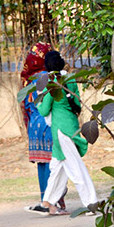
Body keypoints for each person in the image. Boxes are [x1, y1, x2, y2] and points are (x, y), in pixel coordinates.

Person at [37, 50, 98, 215]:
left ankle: (91, 202)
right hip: (71, 126)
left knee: (75, 168)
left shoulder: (52, 82)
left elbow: (43, 110)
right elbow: (76, 103)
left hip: (60, 130)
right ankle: (48, 202)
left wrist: (37, 97)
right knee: (56, 166)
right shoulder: (69, 80)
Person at [20, 42, 66, 214]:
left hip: (34, 127)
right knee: (54, 163)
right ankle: (54, 203)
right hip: (48, 123)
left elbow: (25, 107)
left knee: (42, 164)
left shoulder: (28, 80)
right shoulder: (50, 77)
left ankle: (44, 199)